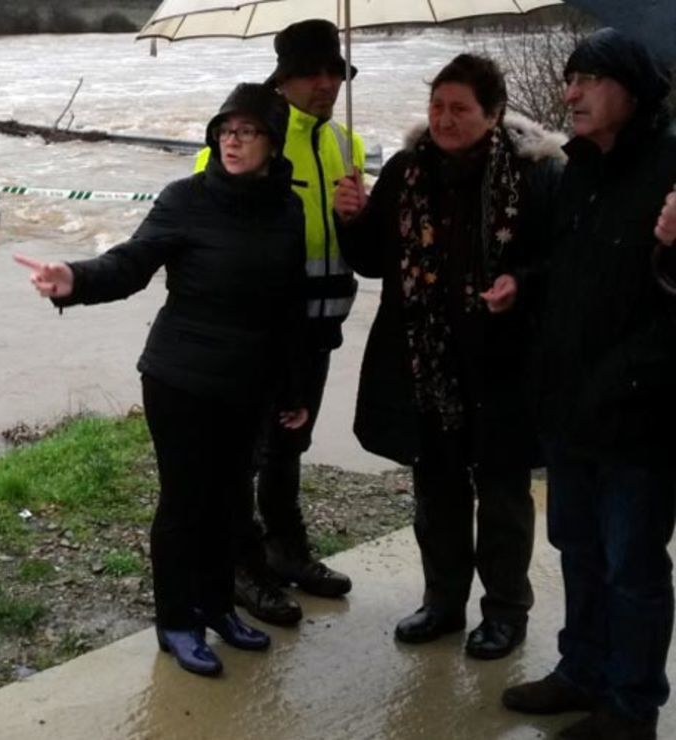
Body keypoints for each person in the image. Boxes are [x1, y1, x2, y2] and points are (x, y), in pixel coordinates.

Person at [15, 83, 310, 678]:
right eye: (226, 129)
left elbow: (289, 304)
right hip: (182, 379)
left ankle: (220, 609)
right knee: (186, 502)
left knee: (231, 502)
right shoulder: (186, 199)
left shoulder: (289, 207)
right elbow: (131, 262)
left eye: (247, 131)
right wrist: (74, 278)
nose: (232, 140)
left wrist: (294, 387)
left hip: (247, 384)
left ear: (273, 143)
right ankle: (178, 621)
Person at [333, 54, 563, 659]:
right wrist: (351, 220)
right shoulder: (406, 170)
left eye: (460, 108)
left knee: (504, 493)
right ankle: (442, 603)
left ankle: (506, 611)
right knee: (435, 489)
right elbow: (371, 262)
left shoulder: (536, 175)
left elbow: (561, 260)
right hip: (422, 361)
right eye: (437, 105)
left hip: (504, 363)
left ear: (493, 113)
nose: (444, 118)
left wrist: (521, 283)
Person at [501, 29, 676, 740]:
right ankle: (581, 672)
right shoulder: (577, 168)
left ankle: (632, 705)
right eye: (568, 78)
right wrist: (523, 282)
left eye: (587, 80)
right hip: (569, 407)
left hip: (641, 413)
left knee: (632, 564)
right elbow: (566, 272)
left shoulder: (672, 173)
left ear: (630, 91)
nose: (569, 93)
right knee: (577, 548)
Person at [196, 19, 366, 627]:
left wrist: (360, 218)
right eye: (313, 73)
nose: (327, 84)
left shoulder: (345, 143)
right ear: (285, 78)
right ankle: (243, 567)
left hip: (319, 330)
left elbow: (359, 247)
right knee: (245, 450)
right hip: (258, 334)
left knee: (291, 442)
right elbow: (207, 229)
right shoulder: (252, 136)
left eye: (335, 72)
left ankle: (287, 551)